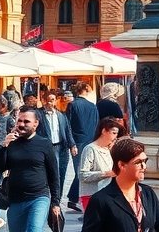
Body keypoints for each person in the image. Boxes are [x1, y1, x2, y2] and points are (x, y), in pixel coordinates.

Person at [81, 137, 159, 232]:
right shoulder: (101, 200)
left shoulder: (147, 193)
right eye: (138, 162)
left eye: (145, 161)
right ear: (121, 165)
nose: (144, 166)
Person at [0, 106, 62, 232]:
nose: (21, 124)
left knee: (34, 229)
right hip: (15, 200)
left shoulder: (44, 143)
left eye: (26, 122)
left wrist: (55, 202)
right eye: (19, 121)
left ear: (36, 124)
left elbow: (54, 175)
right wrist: (4, 146)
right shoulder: (12, 143)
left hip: (39, 197)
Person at [36, 89, 76, 200]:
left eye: (52, 100)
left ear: (55, 101)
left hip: (61, 147)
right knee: (52, 174)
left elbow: (68, 130)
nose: (50, 103)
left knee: (61, 174)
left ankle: (58, 197)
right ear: (44, 101)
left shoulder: (61, 115)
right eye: (48, 100)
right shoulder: (38, 114)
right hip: (48, 148)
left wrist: (72, 145)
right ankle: (51, 197)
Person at [67, 82, 100, 212]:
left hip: (78, 141)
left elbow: (68, 125)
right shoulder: (92, 106)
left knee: (79, 171)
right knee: (84, 171)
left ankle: (73, 198)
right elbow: (97, 124)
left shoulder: (73, 105)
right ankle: (74, 198)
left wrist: (71, 143)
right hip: (91, 140)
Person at [78, 117, 122, 211]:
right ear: (104, 131)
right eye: (113, 133)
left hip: (108, 195)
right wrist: (106, 173)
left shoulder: (109, 150)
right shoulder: (90, 149)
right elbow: (83, 175)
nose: (116, 137)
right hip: (91, 195)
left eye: (117, 133)